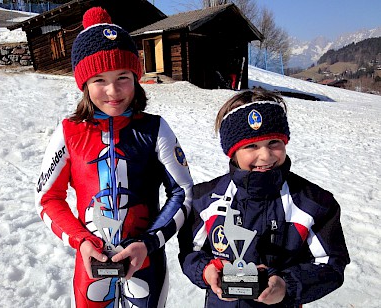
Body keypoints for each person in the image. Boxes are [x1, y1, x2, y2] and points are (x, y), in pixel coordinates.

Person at [35, 7, 193, 308]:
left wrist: (148, 243)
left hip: (145, 262)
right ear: (83, 84)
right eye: (98, 80)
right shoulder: (68, 132)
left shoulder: (155, 128)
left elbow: (182, 193)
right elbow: (48, 198)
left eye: (123, 77)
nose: (113, 91)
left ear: (136, 77)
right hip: (90, 265)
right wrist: (80, 240)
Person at [178, 89, 349, 307]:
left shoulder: (314, 203)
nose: (266, 156)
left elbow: (331, 264)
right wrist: (206, 271)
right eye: (251, 146)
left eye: (274, 143)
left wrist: (288, 285)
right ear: (232, 152)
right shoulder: (205, 199)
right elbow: (190, 252)